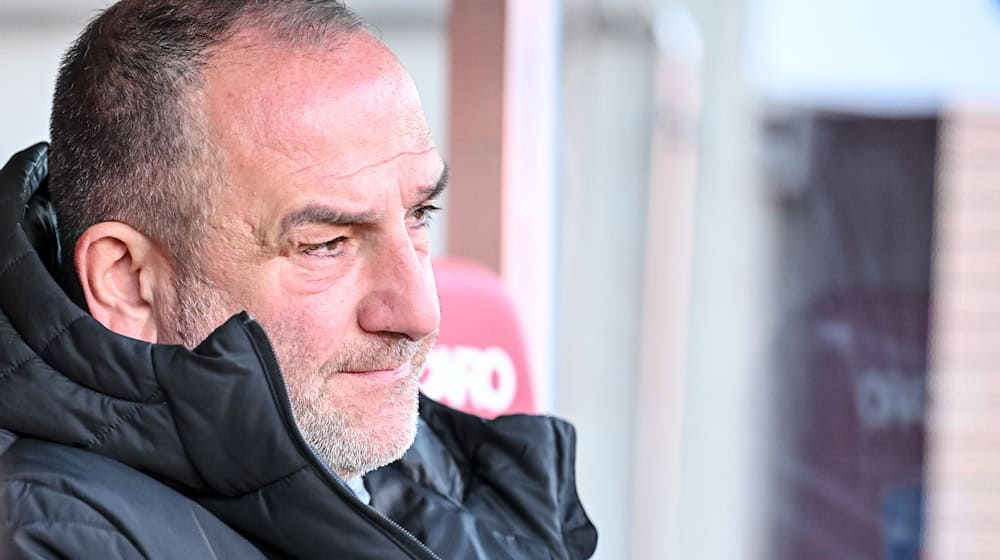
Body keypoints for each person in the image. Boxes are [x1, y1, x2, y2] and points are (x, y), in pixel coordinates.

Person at [0, 1, 597, 558]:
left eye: (419, 215)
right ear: (129, 282)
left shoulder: (408, 471)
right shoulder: (48, 534)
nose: (420, 312)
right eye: (326, 245)